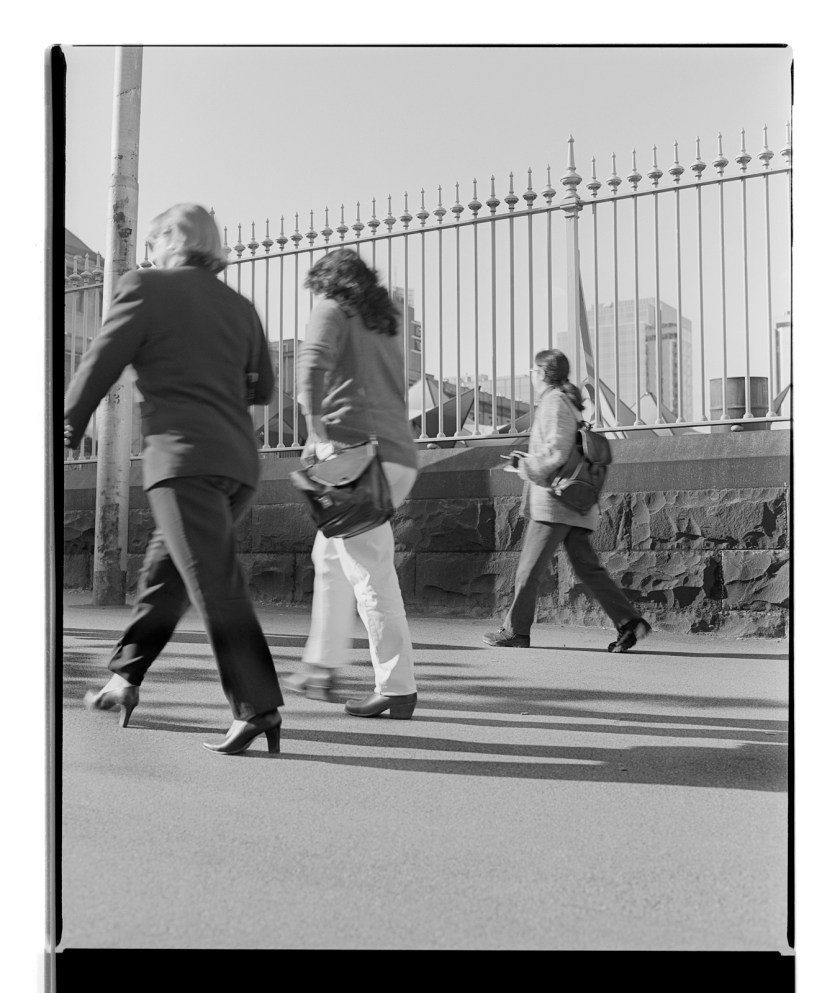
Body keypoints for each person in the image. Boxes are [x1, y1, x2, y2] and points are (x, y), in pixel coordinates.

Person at [63, 203, 284, 756]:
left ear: (167, 240)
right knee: (167, 575)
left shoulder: (146, 287)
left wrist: (66, 428)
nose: (148, 252)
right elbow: (262, 392)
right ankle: (124, 679)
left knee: (214, 583)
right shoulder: (241, 307)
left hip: (183, 464)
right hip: (238, 466)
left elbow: (99, 364)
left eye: (154, 240)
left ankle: (257, 705)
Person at [280, 248, 419, 719]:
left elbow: (309, 376)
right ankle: (320, 666)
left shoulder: (331, 308)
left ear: (326, 283)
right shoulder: (385, 322)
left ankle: (397, 688)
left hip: (355, 459)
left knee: (371, 573)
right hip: (395, 455)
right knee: (332, 557)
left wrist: (320, 441)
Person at [483, 348, 651, 653]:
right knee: (588, 569)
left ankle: (516, 631)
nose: (530, 377)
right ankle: (629, 622)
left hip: (555, 502)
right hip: (576, 504)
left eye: (533, 372)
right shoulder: (567, 402)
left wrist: (526, 466)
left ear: (543, 374)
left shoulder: (553, 402)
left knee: (528, 570)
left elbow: (557, 453)